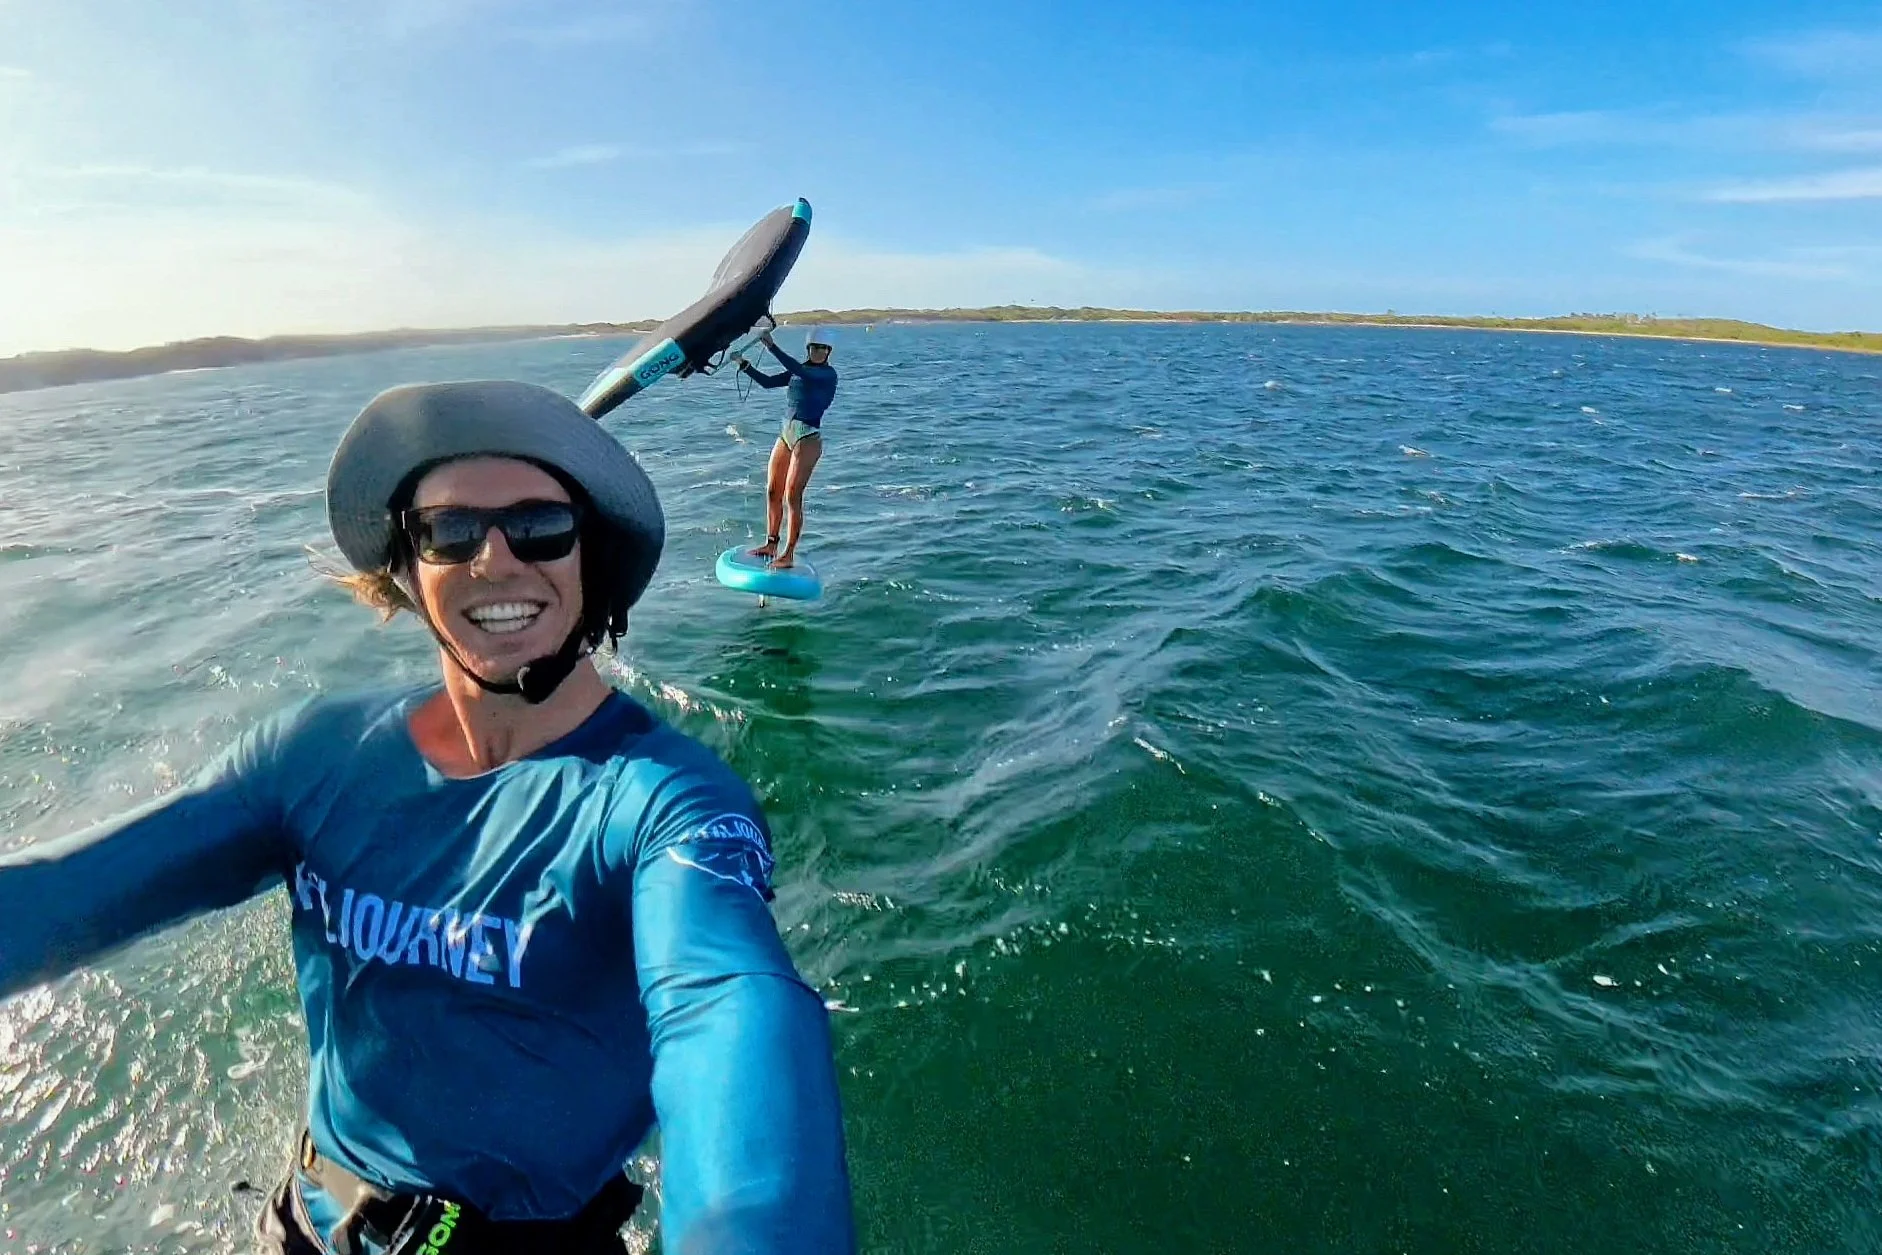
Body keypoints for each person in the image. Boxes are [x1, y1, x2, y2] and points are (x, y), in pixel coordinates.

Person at [0, 381, 854, 1255]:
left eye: (540, 527)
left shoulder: (662, 805)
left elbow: (730, 1008)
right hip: (308, 1219)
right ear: (407, 570)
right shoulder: (315, 757)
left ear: (590, 558)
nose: (495, 561)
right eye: (449, 532)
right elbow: (70, 894)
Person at [734, 328, 838, 569]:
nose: (818, 352)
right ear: (808, 349)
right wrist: (744, 364)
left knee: (792, 496)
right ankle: (771, 544)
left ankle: (788, 553)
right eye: (814, 348)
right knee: (772, 491)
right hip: (786, 434)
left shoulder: (827, 375)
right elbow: (769, 383)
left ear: (828, 352)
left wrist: (771, 346)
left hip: (808, 437)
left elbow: (798, 370)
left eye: (822, 349)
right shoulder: (798, 372)